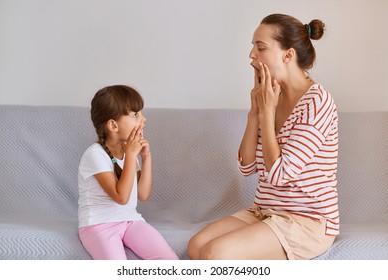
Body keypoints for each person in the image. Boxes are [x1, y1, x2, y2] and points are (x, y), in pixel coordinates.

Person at [188, 13, 339, 260]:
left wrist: (268, 114)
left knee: (215, 254)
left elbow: (280, 174)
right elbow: (246, 166)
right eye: (252, 46)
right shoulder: (271, 96)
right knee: (196, 246)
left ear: (288, 55)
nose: (251, 55)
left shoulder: (317, 102)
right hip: (265, 211)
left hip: (306, 222)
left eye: (260, 47)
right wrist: (256, 112)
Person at [78, 85, 178, 260]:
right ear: (113, 125)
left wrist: (146, 158)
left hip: (130, 221)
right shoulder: (95, 155)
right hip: (98, 225)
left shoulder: (128, 153)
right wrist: (131, 155)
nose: (143, 119)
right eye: (135, 115)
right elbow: (121, 197)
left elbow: (143, 194)